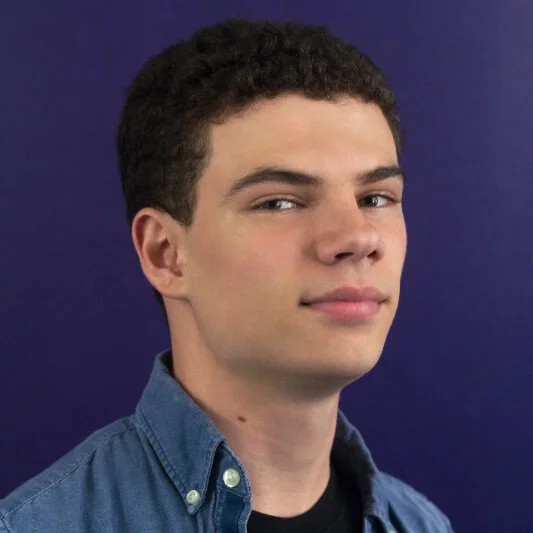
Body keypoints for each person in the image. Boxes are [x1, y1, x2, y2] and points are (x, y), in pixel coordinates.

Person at [0, 17, 454, 533]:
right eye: (279, 202)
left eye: (375, 198)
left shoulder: (421, 524)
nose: (357, 237)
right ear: (166, 253)